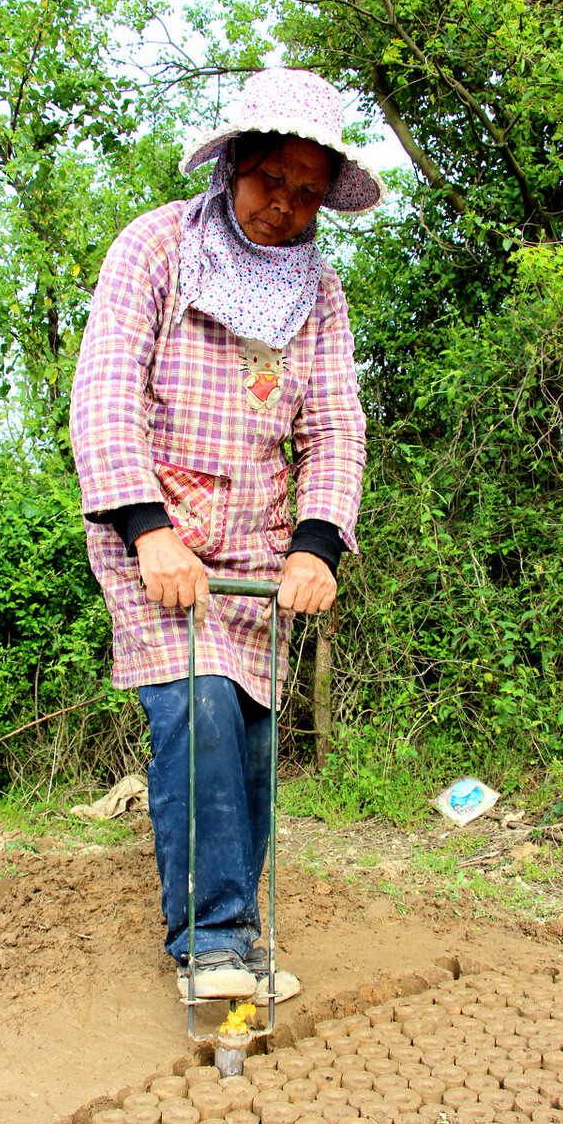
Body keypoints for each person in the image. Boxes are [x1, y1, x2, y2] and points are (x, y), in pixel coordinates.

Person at [70, 68, 384, 1003]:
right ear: (234, 163)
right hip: (157, 537)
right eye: (268, 182)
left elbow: (333, 424)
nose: (284, 208)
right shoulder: (159, 247)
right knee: (198, 707)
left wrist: (318, 544)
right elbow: (104, 393)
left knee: (247, 737)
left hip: (255, 548)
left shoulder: (318, 292)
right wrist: (146, 529)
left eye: (305, 194)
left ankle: (240, 931)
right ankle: (210, 943)